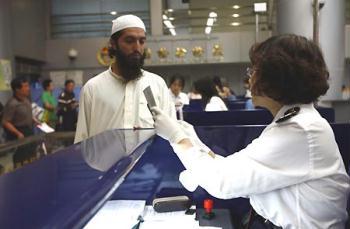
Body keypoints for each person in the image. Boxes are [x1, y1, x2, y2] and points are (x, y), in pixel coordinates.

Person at [150, 34, 350, 228]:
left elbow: (222, 181)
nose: (250, 77)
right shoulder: (296, 123)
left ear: (277, 78)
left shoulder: (300, 130)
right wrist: (193, 141)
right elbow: (238, 171)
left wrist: (177, 138)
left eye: (254, 70)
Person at [74, 14, 175, 143]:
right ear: (113, 44)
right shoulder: (92, 88)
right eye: (129, 41)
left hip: (148, 163)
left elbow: (172, 136)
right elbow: (81, 141)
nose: (137, 48)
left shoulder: (157, 84)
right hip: (106, 163)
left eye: (141, 41)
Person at [2, 77, 37, 166]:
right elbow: (5, 122)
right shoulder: (12, 104)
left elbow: (26, 114)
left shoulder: (26, 100)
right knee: (21, 157)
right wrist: (17, 133)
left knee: (31, 153)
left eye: (28, 86)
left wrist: (34, 120)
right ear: (17, 89)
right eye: (25, 86)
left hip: (29, 130)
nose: (28, 89)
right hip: (19, 133)